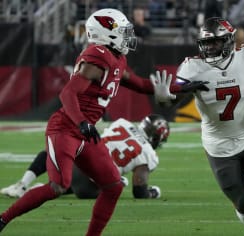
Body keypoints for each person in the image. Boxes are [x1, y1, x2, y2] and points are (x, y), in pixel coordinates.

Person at [0, 8, 206, 234]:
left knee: (113, 186)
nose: (128, 36)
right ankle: (3, 220)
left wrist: (184, 87)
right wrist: (81, 122)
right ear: (105, 33)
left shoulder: (116, 58)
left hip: (85, 133)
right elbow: (67, 94)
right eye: (123, 31)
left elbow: (142, 85)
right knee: (58, 186)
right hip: (66, 129)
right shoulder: (97, 57)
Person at [154, 17, 244, 236]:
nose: (210, 48)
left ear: (229, 41)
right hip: (218, 145)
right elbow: (174, 99)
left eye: (216, 42)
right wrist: (164, 97)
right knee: (242, 203)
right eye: (207, 43)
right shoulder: (193, 67)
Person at [0, 114, 169, 199]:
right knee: (110, 182)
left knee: (55, 150)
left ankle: (23, 184)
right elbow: (139, 189)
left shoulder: (122, 123)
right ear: (157, 138)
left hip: (78, 161)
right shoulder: (149, 153)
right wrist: (153, 193)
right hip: (87, 187)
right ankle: (43, 188)